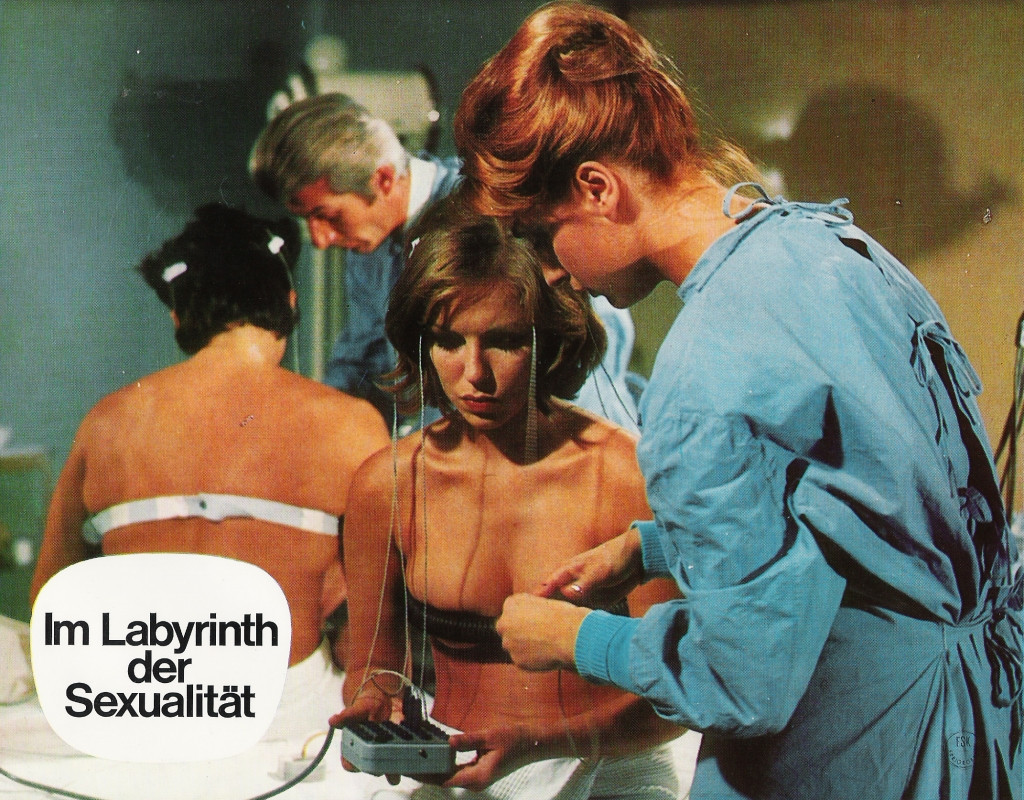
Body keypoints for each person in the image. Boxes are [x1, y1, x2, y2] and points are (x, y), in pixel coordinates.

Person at [452, 4, 1023, 800]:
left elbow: (742, 682)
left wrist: (579, 639)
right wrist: (653, 549)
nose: (550, 271)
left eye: (543, 234)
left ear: (598, 187)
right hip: (969, 727)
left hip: (851, 748)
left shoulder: (701, 374)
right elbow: (870, 507)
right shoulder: (834, 249)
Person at [331, 193, 690, 799]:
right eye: (448, 341)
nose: (475, 373)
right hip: (458, 767)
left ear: (546, 339)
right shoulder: (385, 484)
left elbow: (680, 689)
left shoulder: (624, 473)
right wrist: (375, 698)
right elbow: (376, 660)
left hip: (604, 763)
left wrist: (547, 744)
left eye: (502, 340)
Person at [30, 205, 390, 725]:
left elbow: (51, 600)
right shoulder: (351, 425)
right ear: (290, 302)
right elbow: (380, 619)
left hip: (142, 705)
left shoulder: (107, 421)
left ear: (178, 315)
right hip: (286, 707)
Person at [249, 92, 641, 432]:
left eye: (327, 216)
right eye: (307, 221)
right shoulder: (369, 252)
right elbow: (359, 364)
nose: (321, 240)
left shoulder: (492, 209)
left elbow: (587, 342)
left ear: (383, 179)